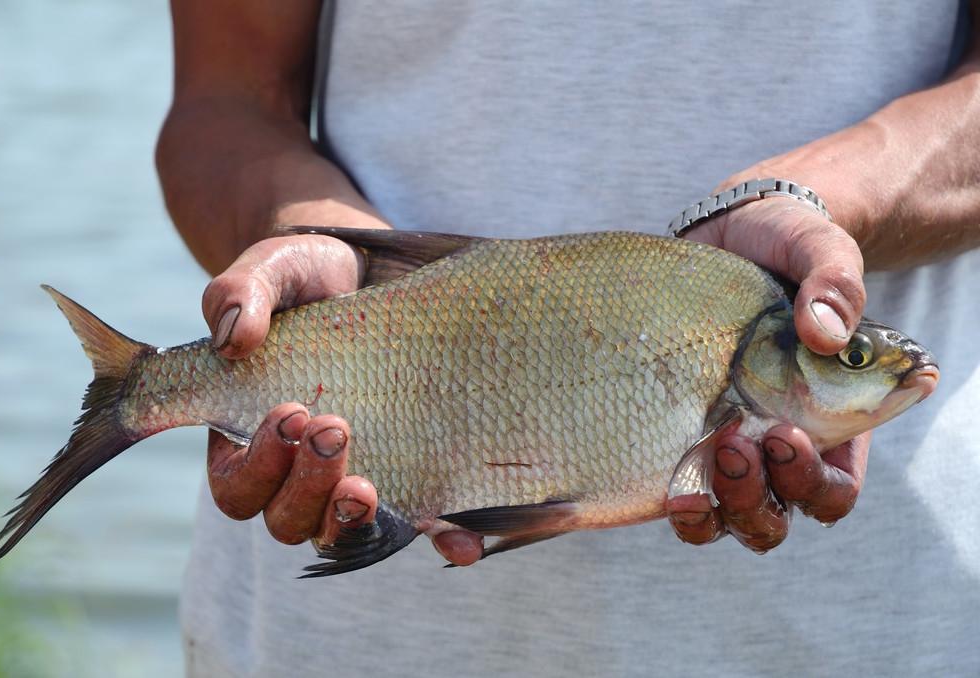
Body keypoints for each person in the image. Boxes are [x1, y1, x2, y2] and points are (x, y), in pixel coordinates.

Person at [157, 2, 980, 676]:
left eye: (854, 354)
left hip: (879, 629)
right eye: (856, 354)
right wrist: (322, 242)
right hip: (334, 639)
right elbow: (223, 103)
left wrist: (817, 201)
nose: (865, 362)